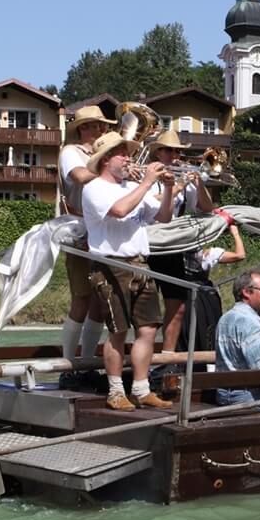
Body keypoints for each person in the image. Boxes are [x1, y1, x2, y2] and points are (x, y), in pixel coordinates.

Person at [79, 130, 177, 411]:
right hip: (111, 265)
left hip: (139, 263)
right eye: (122, 154)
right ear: (106, 160)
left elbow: (163, 217)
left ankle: (141, 389)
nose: (128, 159)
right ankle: (115, 391)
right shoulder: (94, 188)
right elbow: (120, 211)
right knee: (118, 331)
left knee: (147, 330)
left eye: (128, 153)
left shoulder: (130, 187)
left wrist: (168, 188)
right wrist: (146, 182)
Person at [144, 129, 216, 354]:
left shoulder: (182, 175)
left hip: (171, 244)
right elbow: (150, 203)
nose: (174, 155)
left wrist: (199, 182)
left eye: (176, 150)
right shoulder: (147, 174)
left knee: (177, 304)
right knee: (145, 310)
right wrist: (178, 187)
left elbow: (207, 208)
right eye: (168, 150)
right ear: (158, 153)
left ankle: (167, 356)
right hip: (146, 242)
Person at [58, 105, 114, 383]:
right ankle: (68, 365)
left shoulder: (99, 153)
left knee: (99, 302)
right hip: (79, 230)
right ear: (83, 128)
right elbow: (79, 177)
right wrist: (110, 170)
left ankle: (88, 362)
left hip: (103, 232)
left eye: (103, 126)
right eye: (96, 126)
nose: (102, 130)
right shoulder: (71, 152)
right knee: (81, 298)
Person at [213, 270, 260, 408]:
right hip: (250, 397)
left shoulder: (224, 318)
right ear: (246, 292)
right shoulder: (251, 322)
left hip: (224, 395)